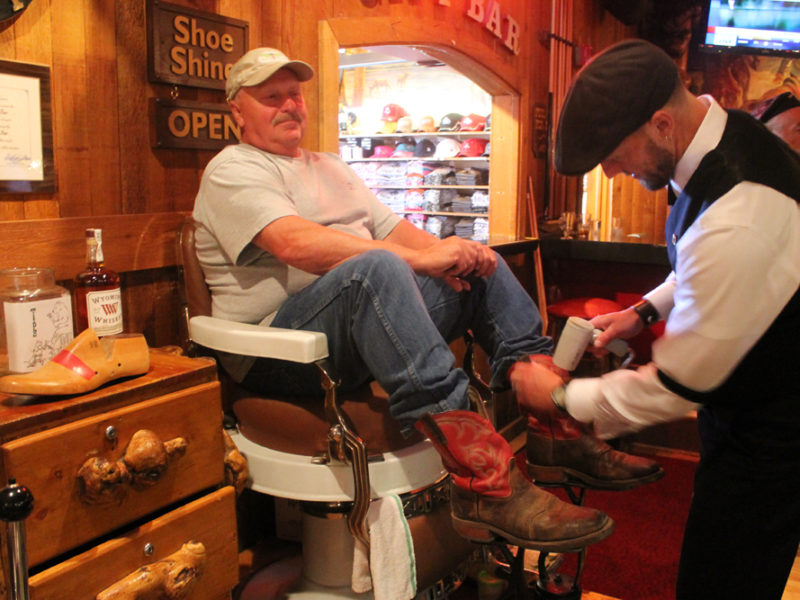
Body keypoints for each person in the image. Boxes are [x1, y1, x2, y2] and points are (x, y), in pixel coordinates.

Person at [192, 47, 659, 553]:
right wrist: (419, 261)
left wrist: (452, 252)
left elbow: (393, 228)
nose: (289, 105)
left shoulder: (328, 166)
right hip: (278, 349)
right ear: (237, 111)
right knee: (378, 268)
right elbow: (293, 244)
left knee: (485, 263)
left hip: (348, 332)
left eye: (294, 94)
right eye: (270, 98)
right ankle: (486, 483)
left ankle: (553, 428)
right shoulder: (232, 169)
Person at [511, 39, 800, 599]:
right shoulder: (721, 139)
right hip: (748, 410)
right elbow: (702, 265)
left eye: (616, 157)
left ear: (662, 124)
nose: (614, 173)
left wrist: (562, 400)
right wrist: (642, 312)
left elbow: (675, 386)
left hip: (775, 432)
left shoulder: (743, 207)